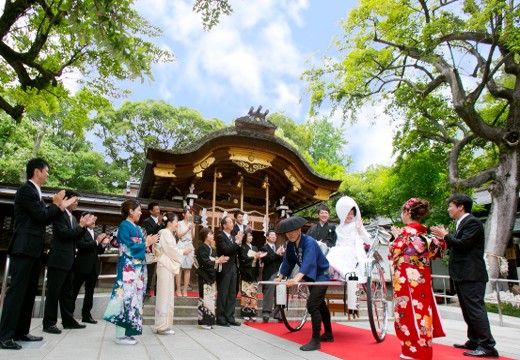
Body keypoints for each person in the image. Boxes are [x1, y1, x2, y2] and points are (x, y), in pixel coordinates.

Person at [0, 158, 76, 351]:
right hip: (23, 248)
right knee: (17, 292)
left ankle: (21, 331)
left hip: (34, 250)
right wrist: (58, 206)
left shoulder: (36, 192)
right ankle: (5, 335)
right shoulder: (26, 190)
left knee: (28, 292)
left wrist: (59, 207)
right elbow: (41, 216)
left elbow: (44, 218)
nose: (48, 174)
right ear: (37, 171)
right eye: (46, 171)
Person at [431, 194, 499, 358]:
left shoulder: (472, 222)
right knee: (468, 310)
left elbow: (463, 244)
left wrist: (445, 235)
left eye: (451, 206)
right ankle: (474, 340)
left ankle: (488, 345)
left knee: (475, 310)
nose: (449, 209)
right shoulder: (461, 224)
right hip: (462, 275)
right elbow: (457, 244)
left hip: (472, 274)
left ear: (461, 206)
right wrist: (445, 238)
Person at [389, 198, 446, 360]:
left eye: (402, 212)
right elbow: (437, 250)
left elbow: (393, 251)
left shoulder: (406, 233)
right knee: (422, 311)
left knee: (407, 311)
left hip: (406, 278)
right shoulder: (423, 233)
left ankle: (413, 351)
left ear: (407, 213)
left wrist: (396, 238)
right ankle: (422, 350)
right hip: (422, 277)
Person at [103, 199, 159, 345]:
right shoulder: (124, 226)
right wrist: (145, 243)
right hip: (128, 268)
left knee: (135, 299)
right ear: (131, 211)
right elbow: (127, 247)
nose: (140, 213)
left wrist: (150, 250)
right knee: (125, 298)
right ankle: (120, 335)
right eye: (139, 210)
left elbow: (141, 246)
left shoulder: (138, 228)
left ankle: (128, 332)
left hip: (138, 268)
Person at [274, 216, 332, 352]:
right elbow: (288, 262)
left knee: (312, 305)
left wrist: (296, 279)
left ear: (299, 229)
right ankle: (328, 334)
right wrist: (280, 277)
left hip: (321, 275)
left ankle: (316, 341)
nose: (290, 234)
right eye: (287, 232)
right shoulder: (290, 244)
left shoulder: (309, 242)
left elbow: (308, 262)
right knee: (320, 304)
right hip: (311, 276)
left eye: (293, 231)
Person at [43, 191, 96, 334]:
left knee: (67, 292)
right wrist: (81, 226)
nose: (76, 203)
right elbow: (65, 234)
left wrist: (84, 226)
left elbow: (76, 237)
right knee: (54, 292)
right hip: (59, 259)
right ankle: (49, 322)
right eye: (74, 200)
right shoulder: (59, 214)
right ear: (66, 200)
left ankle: (68, 320)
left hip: (69, 260)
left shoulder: (72, 217)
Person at [154, 212, 192, 335]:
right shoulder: (165, 233)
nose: (177, 224)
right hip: (165, 265)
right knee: (164, 296)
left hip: (166, 266)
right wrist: (183, 251)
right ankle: (161, 325)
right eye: (176, 221)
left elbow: (170, 250)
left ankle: (165, 325)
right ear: (170, 222)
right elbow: (171, 250)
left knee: (168, 295)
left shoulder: (167, 233)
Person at [72, 211, 111, 324]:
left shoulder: (93, 233)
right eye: (90, 218)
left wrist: (103, 244)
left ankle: (86, 315)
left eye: (94, 219)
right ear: (83, 219)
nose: (93, 221)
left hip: (93, 266)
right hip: (81, 266)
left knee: (90, 293)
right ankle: (69, 314)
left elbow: (97, 250)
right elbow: (81, 246)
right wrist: (97, 241)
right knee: (74, 291)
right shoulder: (80, 231)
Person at [327, 196, 372, 282]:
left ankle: (347, 274)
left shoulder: (356, 224)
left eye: (352, 213)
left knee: (345, 252)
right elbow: (338, 242)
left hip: (353, 248)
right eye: (348, 213)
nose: (350, 216)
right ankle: (336, 274)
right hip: (341, 248)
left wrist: (359, 230)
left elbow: (367, 240)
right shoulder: (338, 228)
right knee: (332, 252)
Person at [195, 228, 229, 330]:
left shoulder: (212, 249)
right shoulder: (201, 248)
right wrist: (217, 261)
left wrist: (219, 262)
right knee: (204, 298)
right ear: (205, 236)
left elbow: (215, 262)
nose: (212, 236)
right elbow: (204, 262)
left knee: (210, 299)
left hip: (211, 276)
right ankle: (203, 322)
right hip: (204, 275)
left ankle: (209, 321)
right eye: (210, 234)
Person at [215, 215, 243, 326]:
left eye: (232, 222)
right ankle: (221, 318)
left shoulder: (232, 236)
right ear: (224, 225)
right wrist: (236, 242)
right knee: (223, 293)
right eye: (230, 222)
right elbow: (226, 250)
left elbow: (236, 251)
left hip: (234, 267)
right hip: (225, 267)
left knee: (232, 293)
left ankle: (230, 317)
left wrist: (239, 242)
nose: (232, 224)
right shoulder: (220, 236)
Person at [238, 231, 265, 321]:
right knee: (246, 293)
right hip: (246, 271)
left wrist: (258, 257)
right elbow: (243, 259)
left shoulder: (254, 247)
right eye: (248, 236)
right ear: (245, 237)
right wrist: (254, 257)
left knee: (253, 293)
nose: (250, 237)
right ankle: (245, 312)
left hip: (253, 270)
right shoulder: (242, 247)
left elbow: (257, 259)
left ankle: (252, 312)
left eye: (251, 236)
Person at [260, 229, 285, 323]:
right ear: (267, 237)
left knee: (280, 292)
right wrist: (276, 253)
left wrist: (281, 254)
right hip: (269, 273)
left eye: (275, 235)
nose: (274, 237)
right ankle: (266, 312)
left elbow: (283, 260)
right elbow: (266, 260)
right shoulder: (264, 248)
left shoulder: (279, 247)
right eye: (271, 235)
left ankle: (278, 313)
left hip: (279, 273)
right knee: (268, 292)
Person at [142, 202, 162, 297]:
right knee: (150, 269)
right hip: (150, 248)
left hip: (160, 247)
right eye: (156, 209)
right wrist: (158, 223)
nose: (158, 211)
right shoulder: (147, 221)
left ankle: (158, 290)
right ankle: (147, 290)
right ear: (151, 211)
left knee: (160, 269)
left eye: (158, 209)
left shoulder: (162, 221)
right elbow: (150, 232)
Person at [176, 207, 196, 297]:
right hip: (181, 245)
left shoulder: (192, 224)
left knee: (188, 269)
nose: (190, 215)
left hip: (189, 244)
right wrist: (188, 228)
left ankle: (185, 290)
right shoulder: (179, 223)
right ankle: (178, 289)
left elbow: (193, 237)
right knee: (179, 268)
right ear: (184, 214)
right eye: (188, 213)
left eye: (190, 213)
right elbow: (179, 235)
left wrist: (192, 228)